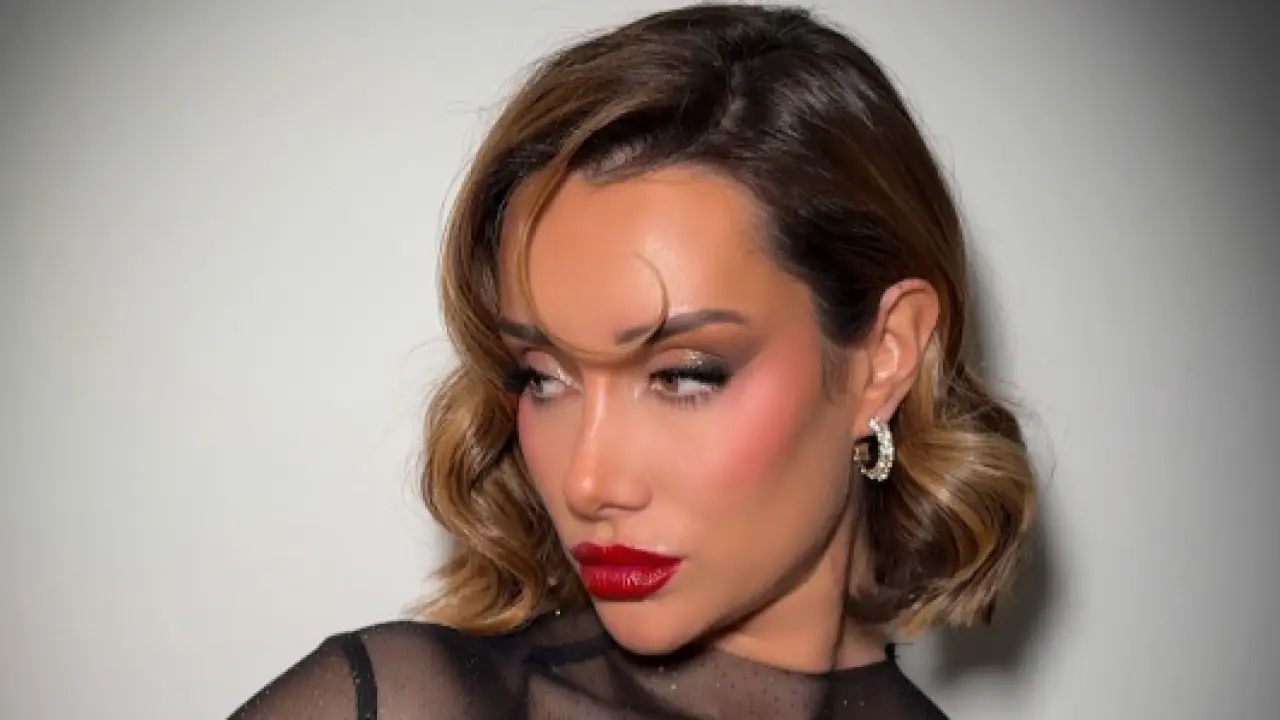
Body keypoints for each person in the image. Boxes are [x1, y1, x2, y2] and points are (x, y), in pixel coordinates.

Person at [229, 3, 1037, 718]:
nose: (588, 482)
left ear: (884, 357)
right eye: (544, 377)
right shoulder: (402, 706)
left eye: (682, 375)